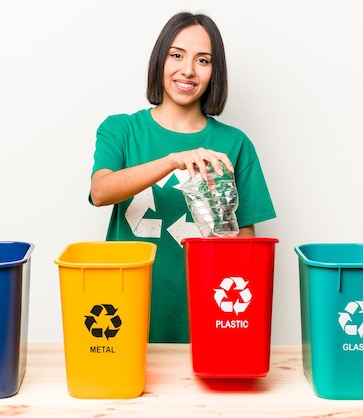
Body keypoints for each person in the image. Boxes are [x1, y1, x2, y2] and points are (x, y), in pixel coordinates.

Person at [89, 11, 276, 343]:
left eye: (203, 60)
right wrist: (173, 160)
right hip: (124, 308)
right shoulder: (121, 130)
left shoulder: (234, 144)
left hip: (209, 308)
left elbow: (247, 246)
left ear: (214, 72)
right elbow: (101, 191)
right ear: (160, 60)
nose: (188, 69)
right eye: (176, 55)